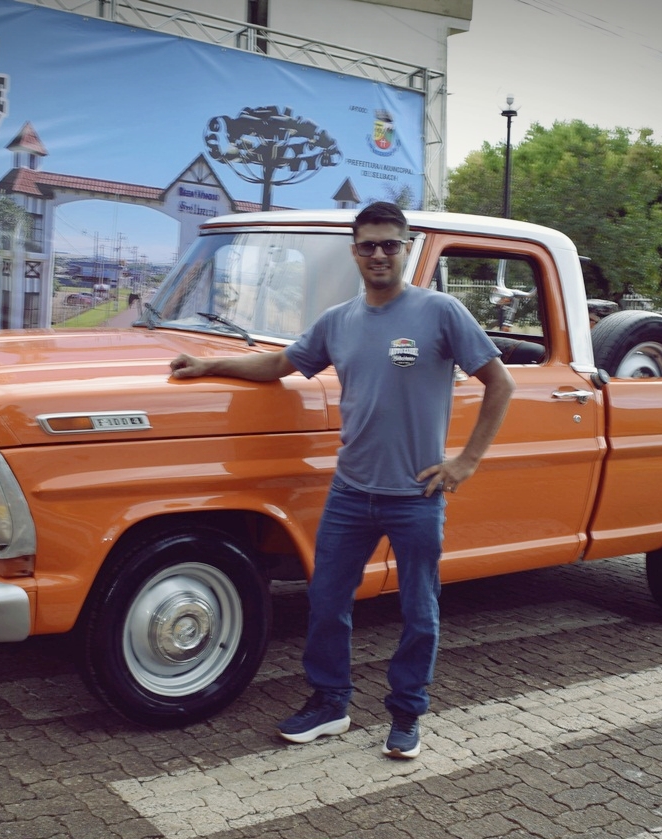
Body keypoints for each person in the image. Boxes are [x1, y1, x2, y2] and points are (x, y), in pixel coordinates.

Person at [169, 201, 515, 758]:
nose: (378, 254)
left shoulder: (440, 312)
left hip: (416, 494)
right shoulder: (339, 321)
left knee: (418, 611)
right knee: (328, 602)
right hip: (350, 493)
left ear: (406, 249)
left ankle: (407, 713)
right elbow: (278, 365)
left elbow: (501, 383)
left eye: (389, 245)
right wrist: (209, 366)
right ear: (354, 252)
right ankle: (330, 704)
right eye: (368, 245)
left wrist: (466, 462)